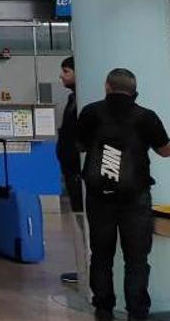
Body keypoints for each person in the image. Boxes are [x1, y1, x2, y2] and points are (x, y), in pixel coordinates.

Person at [77, 68, 170, 321]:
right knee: (137, 260)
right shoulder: (146, 117)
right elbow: (165, 151)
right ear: (134, 89)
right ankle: (137, 313)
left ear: (107, 86)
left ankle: (104, 310)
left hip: (99, 198)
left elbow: (80, 145)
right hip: (135, 198)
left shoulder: (90, 112)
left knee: (101, 255)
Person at [57, 57, 83, 285]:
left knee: (87, 221)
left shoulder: (84, 102)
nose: (62, 76)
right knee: (80, 221)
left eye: (66, 71)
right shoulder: (73, 99)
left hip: (80, 172)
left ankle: (88, 270)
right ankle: (84, 268)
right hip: (71, 170)